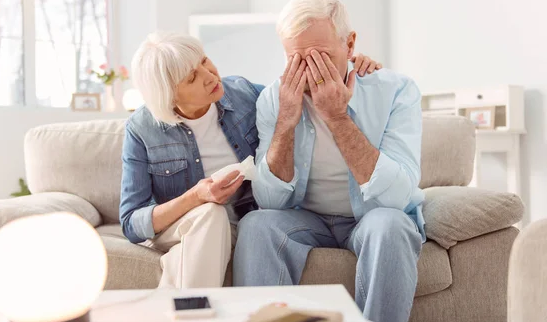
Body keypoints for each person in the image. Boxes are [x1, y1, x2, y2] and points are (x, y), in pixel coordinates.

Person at [119, 31, 382, 289]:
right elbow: (132, 223)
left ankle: (186, 316)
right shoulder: (142, 129)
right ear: (170, 96)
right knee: (211, 214)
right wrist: (197, 197)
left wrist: (348, 66)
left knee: (223, 230)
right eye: (192, 78)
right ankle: (195, 319)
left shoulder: (243, 93)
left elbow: (295, 94)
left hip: (244, 224)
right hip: (186, 227)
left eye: (204, 61)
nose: (210, 75)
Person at [233, 0, 425, 322]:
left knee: (392, 227)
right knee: (256, 225)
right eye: (296, 58)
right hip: (306, 218)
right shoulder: (274, 100)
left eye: (321, 56)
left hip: (372, 215)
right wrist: (286, 121)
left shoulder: (396, 90)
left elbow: (396, 198)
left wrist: (337, 118)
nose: (309, 70)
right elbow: (269, 201)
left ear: (349, 46)